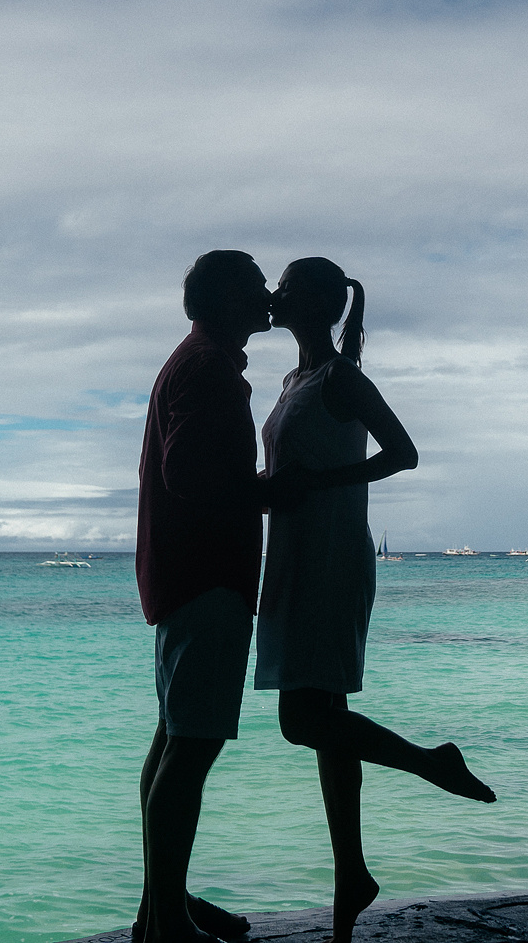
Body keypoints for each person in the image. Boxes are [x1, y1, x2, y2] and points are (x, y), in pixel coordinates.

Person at [256, 257, 496, 943]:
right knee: (328, 721)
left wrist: (324, 480)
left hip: (330, 558)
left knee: (301, 720)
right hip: (295, 555)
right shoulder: (292, 381)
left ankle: (430, 760)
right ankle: (349, 886)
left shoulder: (342, 379)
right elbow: (286, 472)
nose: (273, 294)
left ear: (316, 302)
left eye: (286, 285)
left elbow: (404, 452)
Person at [133, 250, 304, 943]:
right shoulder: (209, 370)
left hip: (182, 575)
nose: (267, 292)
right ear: (227, 297)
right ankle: (168, 920)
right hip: (205, 576)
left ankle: (159, 905)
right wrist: (270, 490)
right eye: (255, 282)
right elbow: (190, 475)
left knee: (174, 740)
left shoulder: (198, 360)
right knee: (192, 747)